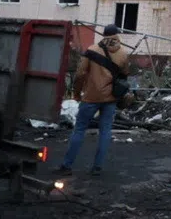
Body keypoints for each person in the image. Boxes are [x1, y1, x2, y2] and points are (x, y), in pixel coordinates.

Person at [56, 25, 130, 177]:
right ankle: (97, 167)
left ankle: (67, 165)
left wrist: (76, 94)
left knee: (80, 129)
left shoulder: (92, 50)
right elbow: (124, 76)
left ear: (104, 35)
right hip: (110, 98)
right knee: (105, 131)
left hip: (91, 96)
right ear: (117, 35)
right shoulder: (123, 53)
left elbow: (80, 74)